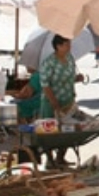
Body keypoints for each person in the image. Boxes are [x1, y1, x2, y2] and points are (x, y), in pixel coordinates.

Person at [39, 34, 81, 165]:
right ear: (58, 46)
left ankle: (61, 157)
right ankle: (50, 159)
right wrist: (54, 103)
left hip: (68, 99)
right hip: (51, 101)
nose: (69, 47)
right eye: (66, 44)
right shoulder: (49, 62)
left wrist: (77, 78)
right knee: (49, 131)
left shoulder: (70, 58)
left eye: (69, 44)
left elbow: (70, 77)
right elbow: (45, 85)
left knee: (68, 131)